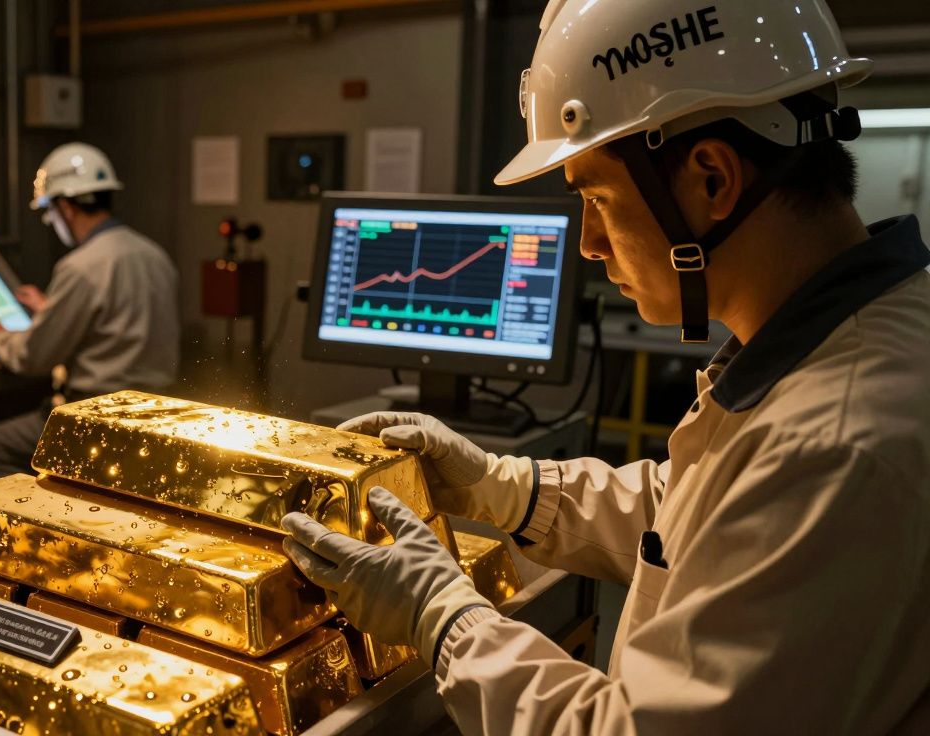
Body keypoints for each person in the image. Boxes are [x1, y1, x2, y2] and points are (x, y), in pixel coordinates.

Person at [280, 1, 930, 732]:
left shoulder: (835, 443)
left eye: (596, 197)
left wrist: (444, 616)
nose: (587, 242)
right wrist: (504, 488)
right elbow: (704, 514)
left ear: (711, 178)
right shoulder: (852, 342)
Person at [0, 143, 179, 479]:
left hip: (95, 419)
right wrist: (51, 310)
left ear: (65, 207)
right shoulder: (153, 254)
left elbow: (33, 356)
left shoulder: (80, 266)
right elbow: (118, 322)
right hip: (157, 413)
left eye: (49, 212)